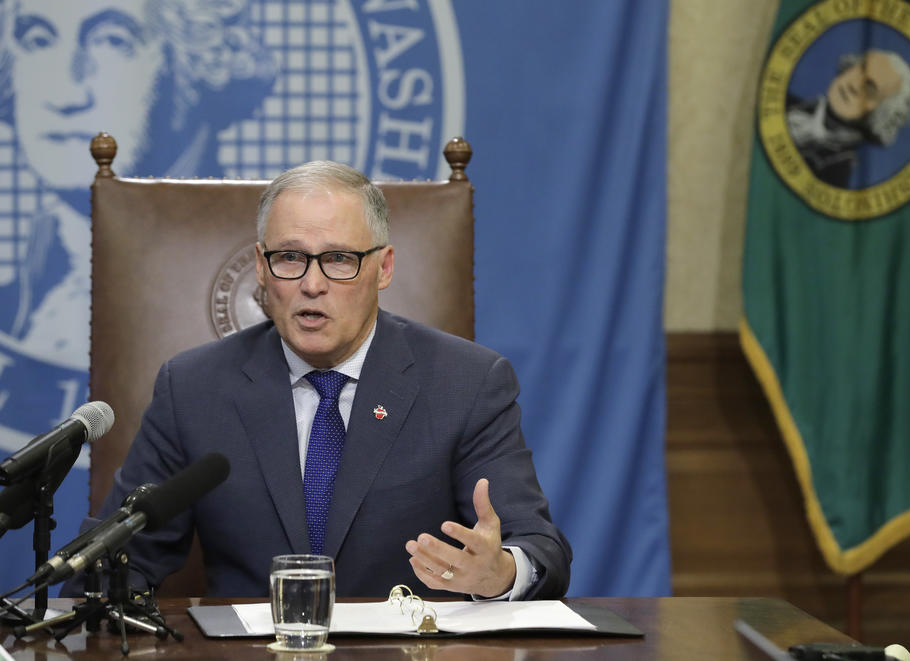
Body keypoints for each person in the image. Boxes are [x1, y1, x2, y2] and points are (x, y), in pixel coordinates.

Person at [68, 160, 571, 599]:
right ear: (263, 269)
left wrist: (500, 573)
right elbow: (121, 561)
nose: (312, 284)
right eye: (290, 258)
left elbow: (539, 549)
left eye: (339, 259)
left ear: (384, 268)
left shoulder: (468, 383)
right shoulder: (195, 388)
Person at [0, 0, 274, 364]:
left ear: (196, 59)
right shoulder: (32, 285)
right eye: (37, 40)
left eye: (114, 41)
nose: (65, 94)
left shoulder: (257, 284)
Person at [786, 49, 910, 188]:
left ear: (881, 113)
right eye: (861, 69)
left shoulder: (834, 175)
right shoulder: (782, 102)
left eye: (870, 88)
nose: (854, 85)